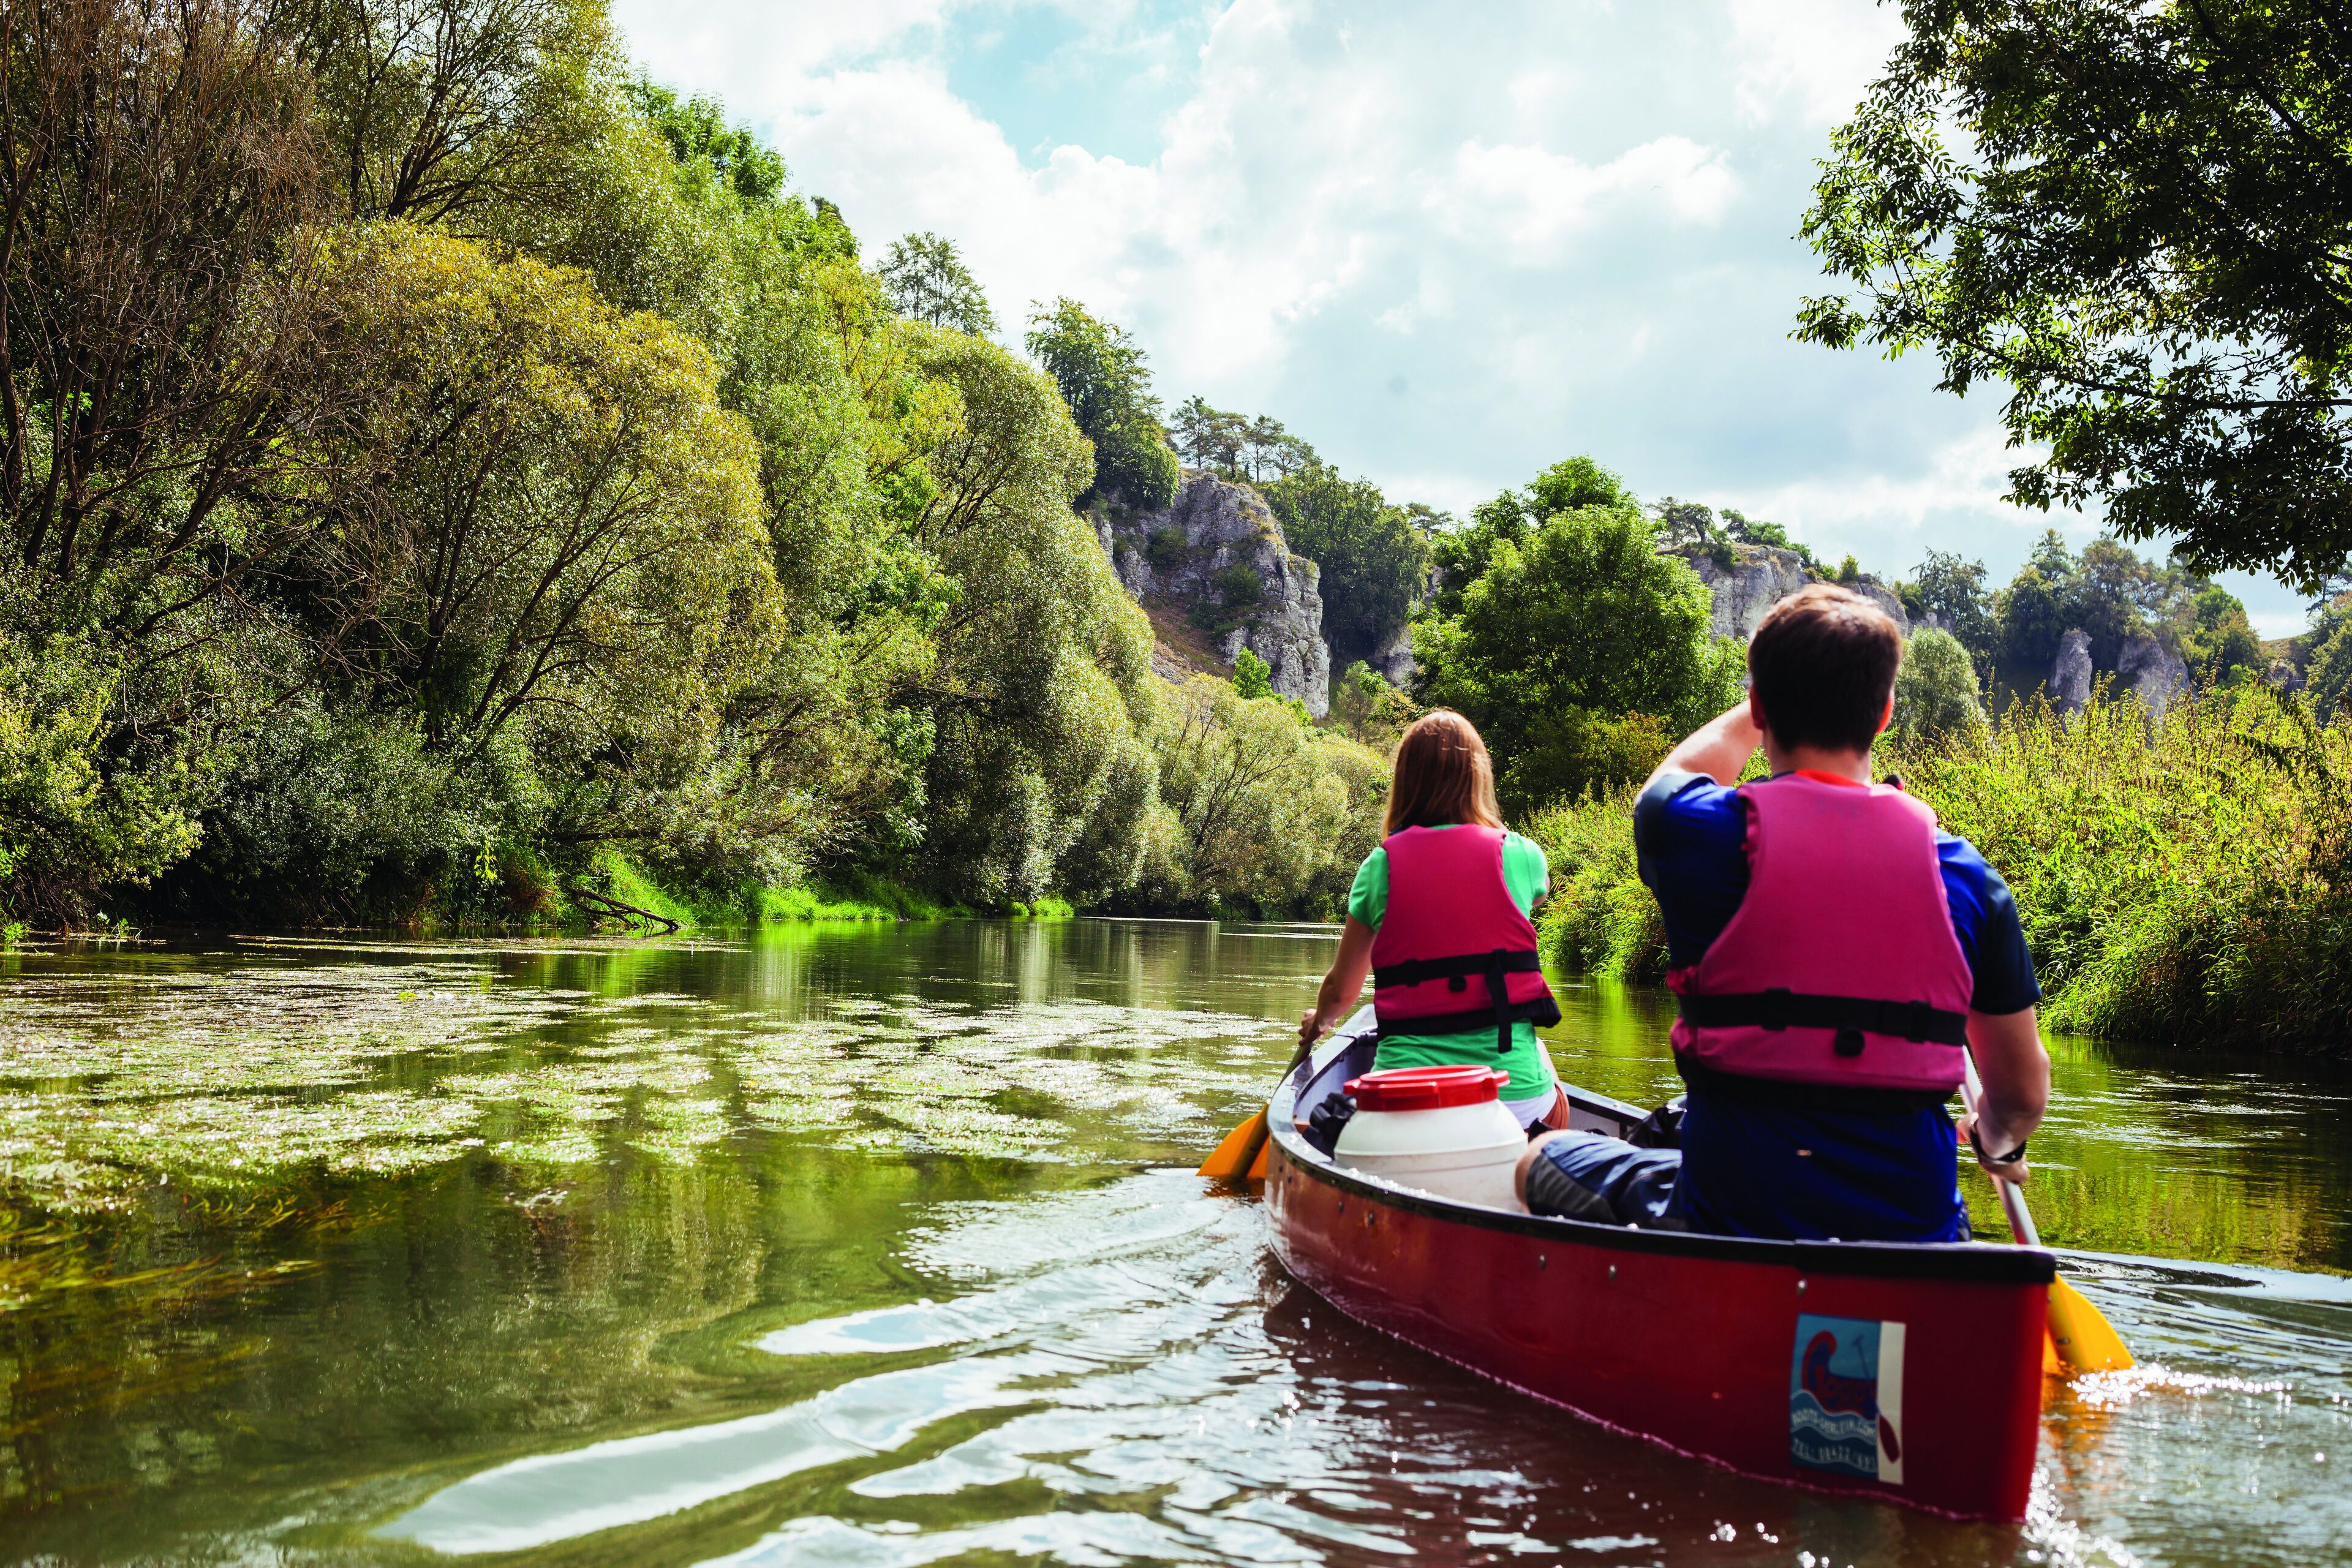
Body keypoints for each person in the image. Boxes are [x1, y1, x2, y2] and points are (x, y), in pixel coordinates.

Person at [1514, 584, 2049, 1240]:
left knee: (1539, 1156)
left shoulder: (1698, 835)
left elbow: (1670, 781)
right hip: (1913, 1232)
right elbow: (2022, 1096)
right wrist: (1996, 1141)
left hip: (1729, 1214)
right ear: (1884, 714)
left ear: (1762, 707)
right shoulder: (1967, 876)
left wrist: (1770, 696)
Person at [1297, 709, 1567, 1128]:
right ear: (1479, 778)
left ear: (1406, 781)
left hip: (1406, 1098)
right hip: (1514, 1105)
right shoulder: (1524, 854)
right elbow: (1539, 892)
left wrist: (1320, 1023)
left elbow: (1340, 993)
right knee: (1541, 1059)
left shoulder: (1380, 867)